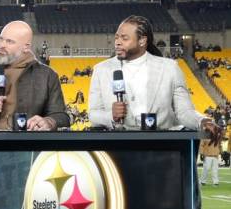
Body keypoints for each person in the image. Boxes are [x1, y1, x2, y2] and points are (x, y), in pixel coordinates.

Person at [88, 15, 222, 142]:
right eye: (116, 37)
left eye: (124, 38)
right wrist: (111, 116)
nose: (117, 42)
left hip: (163, 146)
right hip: (120, 146)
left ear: (142, 41)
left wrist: (202, 121)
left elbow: (184, 112)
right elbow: (93, 114)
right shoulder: (101, 70)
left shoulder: (170, 68)